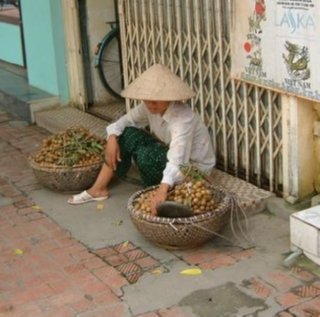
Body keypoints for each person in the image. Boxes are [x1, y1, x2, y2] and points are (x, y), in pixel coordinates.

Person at [68, 63, 216, 215]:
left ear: (169, 97)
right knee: (126, 134)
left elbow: (178, 160)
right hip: (171, 154)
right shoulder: (149, 107)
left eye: (156, 100)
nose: (150, 104)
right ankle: (98, 188)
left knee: (146, 156)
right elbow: (123, 122)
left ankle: (157, 190)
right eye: (147, 99)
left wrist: (163, 189)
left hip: (193, 168)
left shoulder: (183, 119)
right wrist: (111, 138)